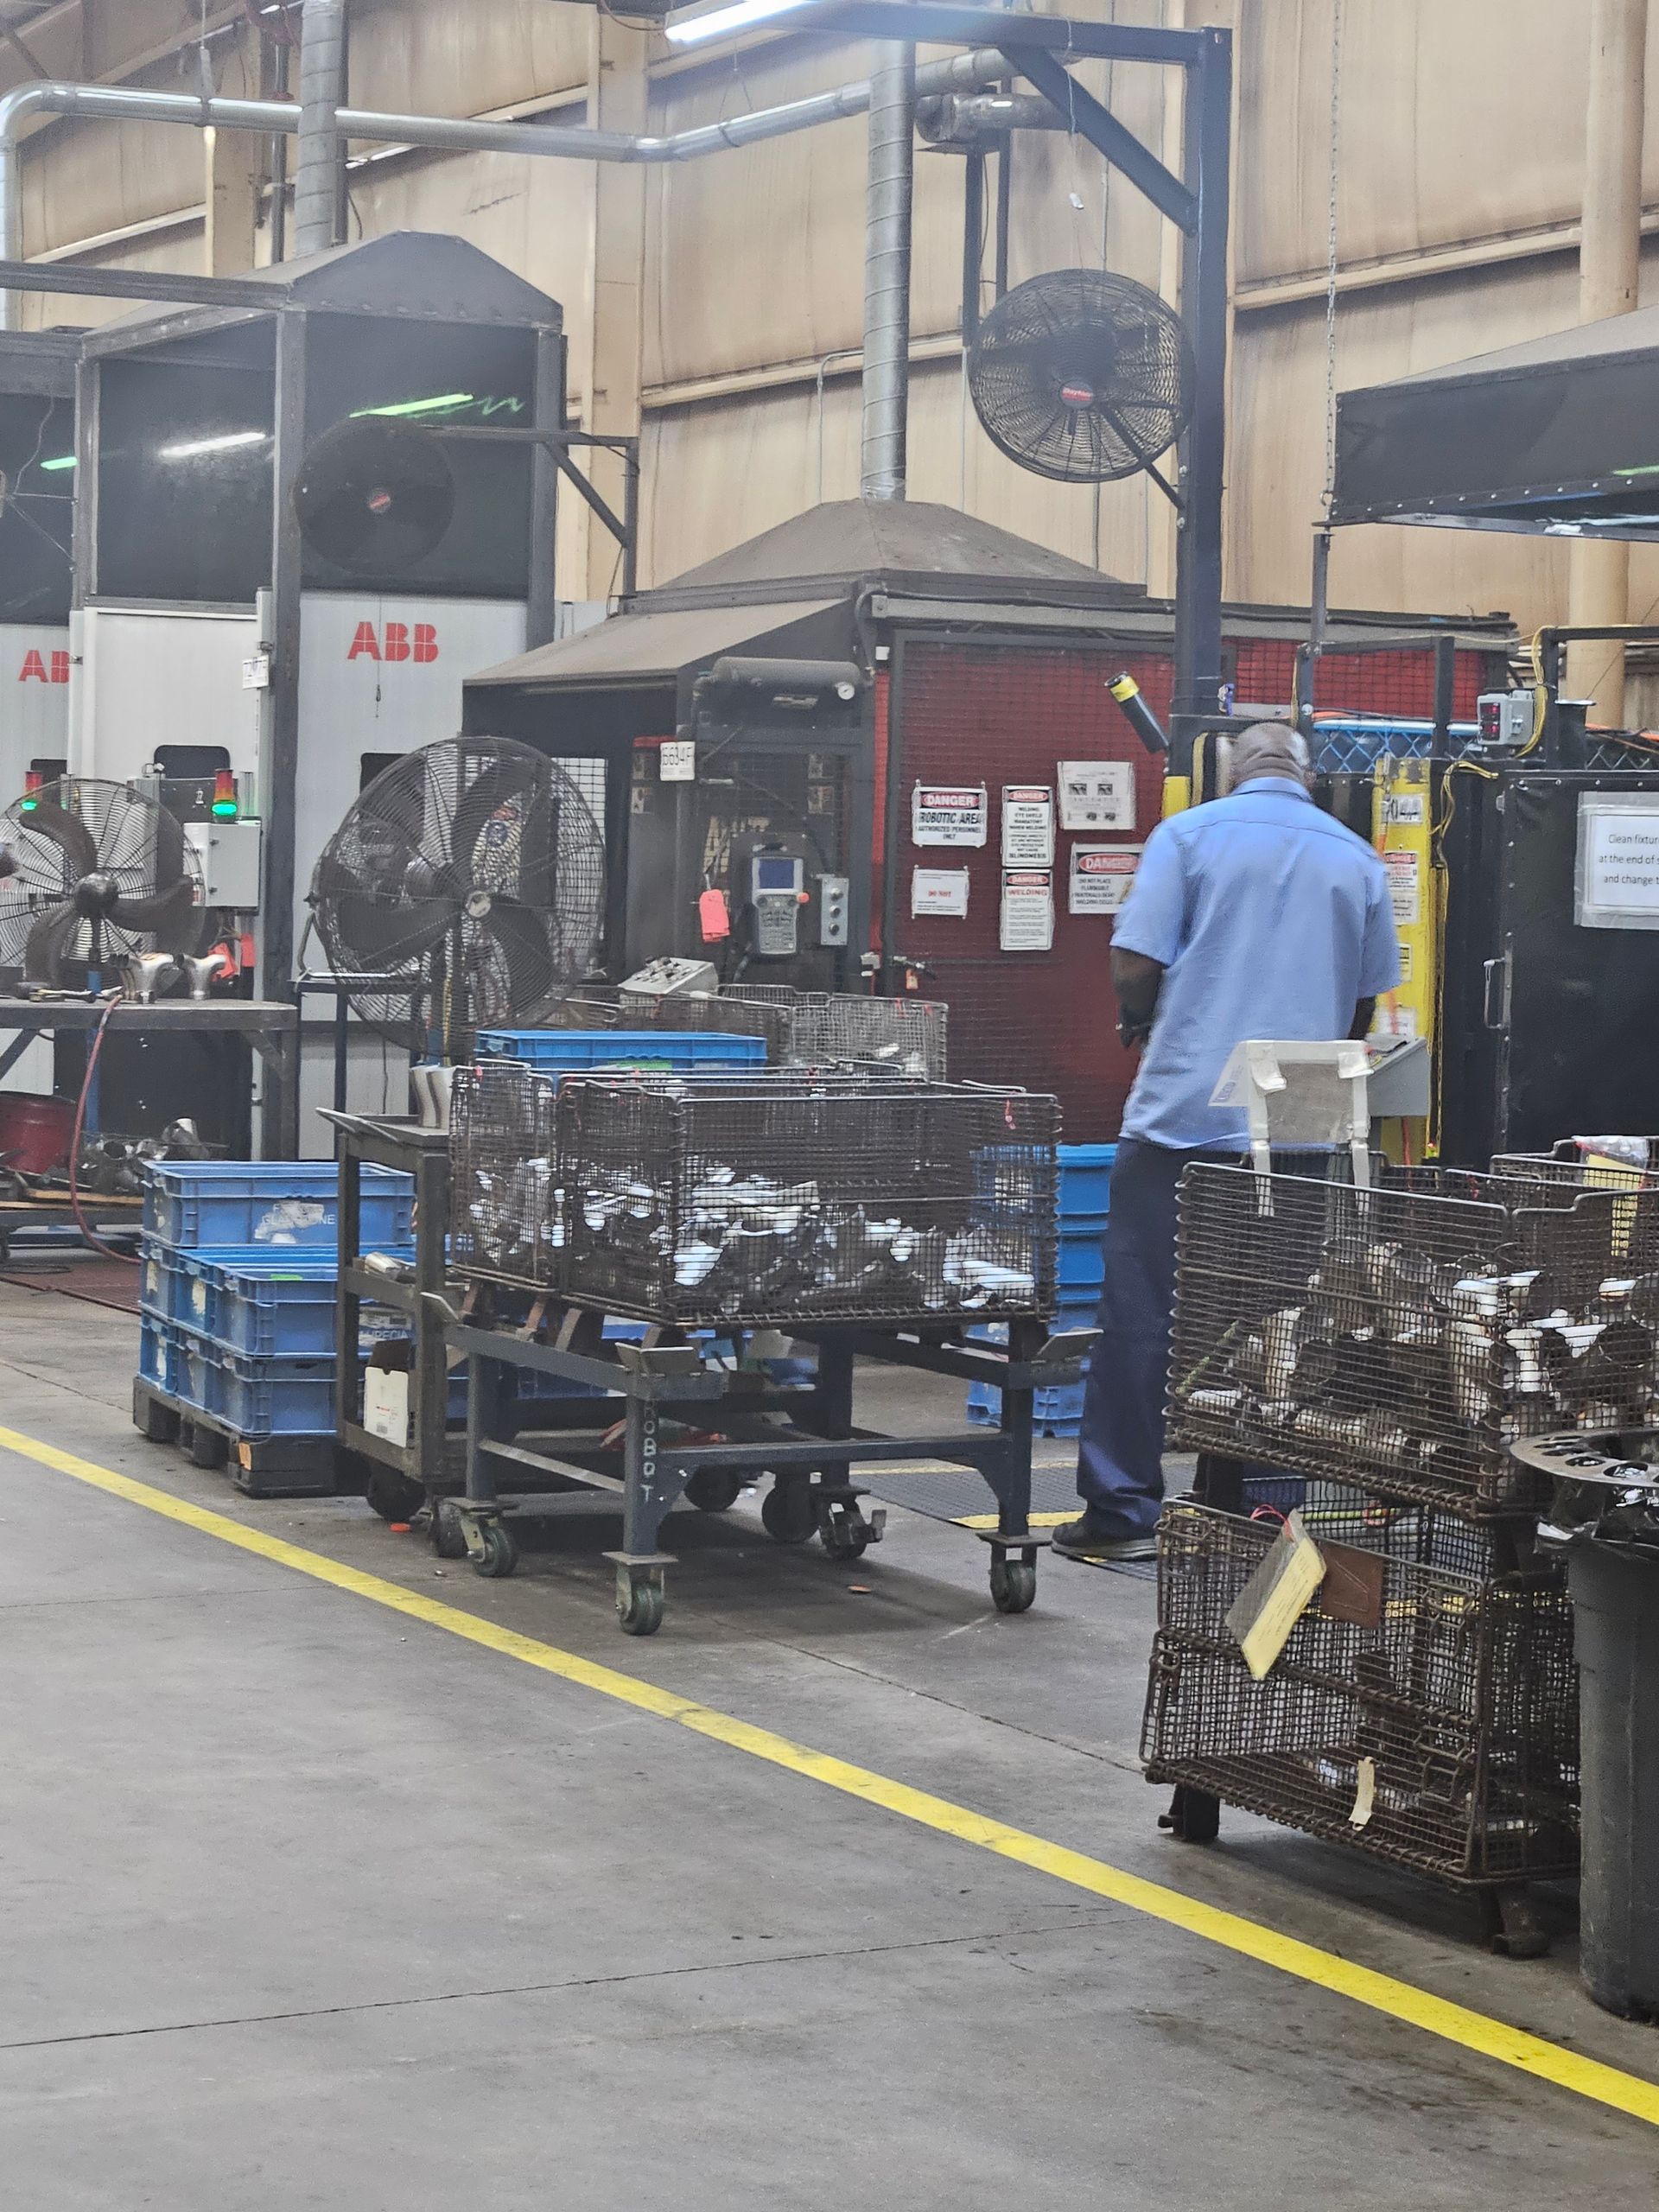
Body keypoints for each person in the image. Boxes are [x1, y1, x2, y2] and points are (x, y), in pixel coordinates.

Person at [1052, 721, 1402, 1561]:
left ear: (1236, 770)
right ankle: (1252, 1511)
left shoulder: (1189, 835)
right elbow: (1364, 1002)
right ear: (1308, 777)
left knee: (1144, 1311)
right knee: (1280, 1321)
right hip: (1303, 1115)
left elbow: (1135, 957)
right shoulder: (1357, 859)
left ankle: (1124, 1507)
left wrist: (1140, 1020)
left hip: (1187, 1117)